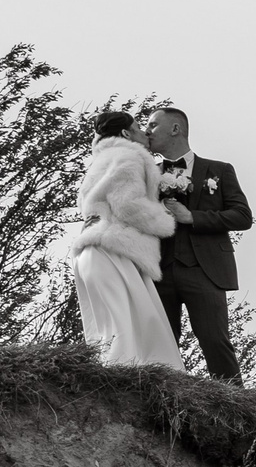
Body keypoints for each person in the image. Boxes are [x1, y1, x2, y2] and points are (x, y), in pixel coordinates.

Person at [64, 111, 186, 369]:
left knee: (109, 328)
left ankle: (117, 384)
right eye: (140, 128)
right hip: (113, 249)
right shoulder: (130, 156)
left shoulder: (101, 160)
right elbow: (127, 205)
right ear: (125, 134)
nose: (146, 134)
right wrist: (165, 220)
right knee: (133, 326)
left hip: (93, 247)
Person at [141, 106, 255, 383]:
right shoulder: (147, 175)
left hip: (205, 270)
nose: (147, 132)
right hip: (158, 270)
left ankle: (235, 407)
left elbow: (242, 216)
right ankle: (164, 403)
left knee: (215, 341)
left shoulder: (219, 170)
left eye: (153, 125)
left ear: (176, 129)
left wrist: (192, 217)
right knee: (162, 344)